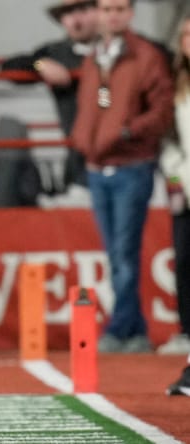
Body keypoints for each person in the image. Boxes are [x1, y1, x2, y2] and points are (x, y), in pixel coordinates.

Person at [71, 0, 174, 353]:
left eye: (118, 9)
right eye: (106, 9)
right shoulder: (94, 58)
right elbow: (94, 106)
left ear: (130, 13)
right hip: (98, 167)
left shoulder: (145, 56)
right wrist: (85, 139)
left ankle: (120, 327)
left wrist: (128, 131)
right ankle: (135, 329)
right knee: (115, 253)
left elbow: (162, 108)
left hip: (132, 165)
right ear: (98, 14)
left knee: (124, 253)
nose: (112, 15)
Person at [1, 0, 98, 194]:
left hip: (127, 150)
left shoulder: (126, 49)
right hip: (80, 156)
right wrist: (40, 65)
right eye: (68, 13)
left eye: (83, 10)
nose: (76, 19)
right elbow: (10, 67)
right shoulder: (55, 53)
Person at [160, 14, 190, 359]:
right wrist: (174, 176)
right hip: (183, 185)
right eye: (187, 35)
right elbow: (168, 139)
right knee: (184, 259)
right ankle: (186, 330)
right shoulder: (175, 86)